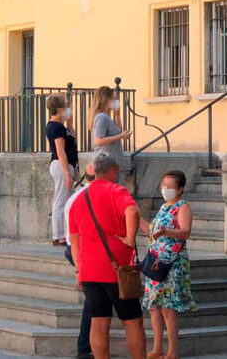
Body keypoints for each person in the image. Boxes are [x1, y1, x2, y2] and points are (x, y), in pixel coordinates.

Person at [68, 153, 146, 359]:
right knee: (133, 321)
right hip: (117, 271)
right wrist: (130, 238)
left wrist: (79, 268)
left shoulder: (79, 198)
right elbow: (133, 211)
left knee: (99, 321)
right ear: (113, 170)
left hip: (89, 271)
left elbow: (74, 239)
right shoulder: (116, 191)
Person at [139, 171, 196, 359]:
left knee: (168, 308)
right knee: (154, 307)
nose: (166, 189)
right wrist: (135, 217)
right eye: (164, 185)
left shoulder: (183, 206)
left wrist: (166, 231)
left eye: (170, 186)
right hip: (155, 263)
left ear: (180, 189)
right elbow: (152, 230)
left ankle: (172, 351)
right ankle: (157, 349)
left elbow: (185, 232)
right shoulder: (163, 207)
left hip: (172, 263)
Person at [65, 163, 97, 359]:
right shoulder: (89, 197)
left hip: (76, 250)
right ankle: (84, 347)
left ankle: (85, 347)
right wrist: (80, 269)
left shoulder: (75, 196)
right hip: (85, 252)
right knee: (93, 302)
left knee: (94, 300)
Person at [48, 94, 78, 246]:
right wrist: (67, 173)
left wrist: (70, 122)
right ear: (59, 110)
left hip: (65, 166)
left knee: (68, 200)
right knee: (60, 201)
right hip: (61, 166)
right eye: (66, 107)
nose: (68, 109)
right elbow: (60, 151)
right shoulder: (56, 127)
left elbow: (72, 139)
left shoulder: (61, 127)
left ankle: (64, 233)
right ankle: (58, 235)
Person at [89, 87, 132, 183]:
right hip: (106, 165)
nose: (116, 101)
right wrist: (121, 136)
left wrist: (117, 115)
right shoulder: (101, 118)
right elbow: (98, 140)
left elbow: (119, 131)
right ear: (106, 100)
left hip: (112, 164)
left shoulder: (107, 117)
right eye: (114, 98)